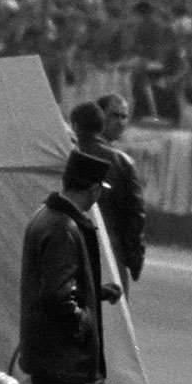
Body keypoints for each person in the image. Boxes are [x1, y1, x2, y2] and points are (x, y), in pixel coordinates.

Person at [19, 149, 142, 384]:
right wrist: (84, 322)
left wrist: (95, 292)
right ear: (93, 189)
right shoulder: (63, 228)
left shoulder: (47, 217)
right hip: (60, 356)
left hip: (56, 356)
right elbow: (58, 297)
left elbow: (58, 284)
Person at [75, 95, 147, 283]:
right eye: (115, 115)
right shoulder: (121, 162)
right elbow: (135, 213)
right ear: (100, 116)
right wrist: (135, 256)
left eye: (124, 117)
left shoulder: (69, 151)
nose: (120, 122)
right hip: (109, 251)